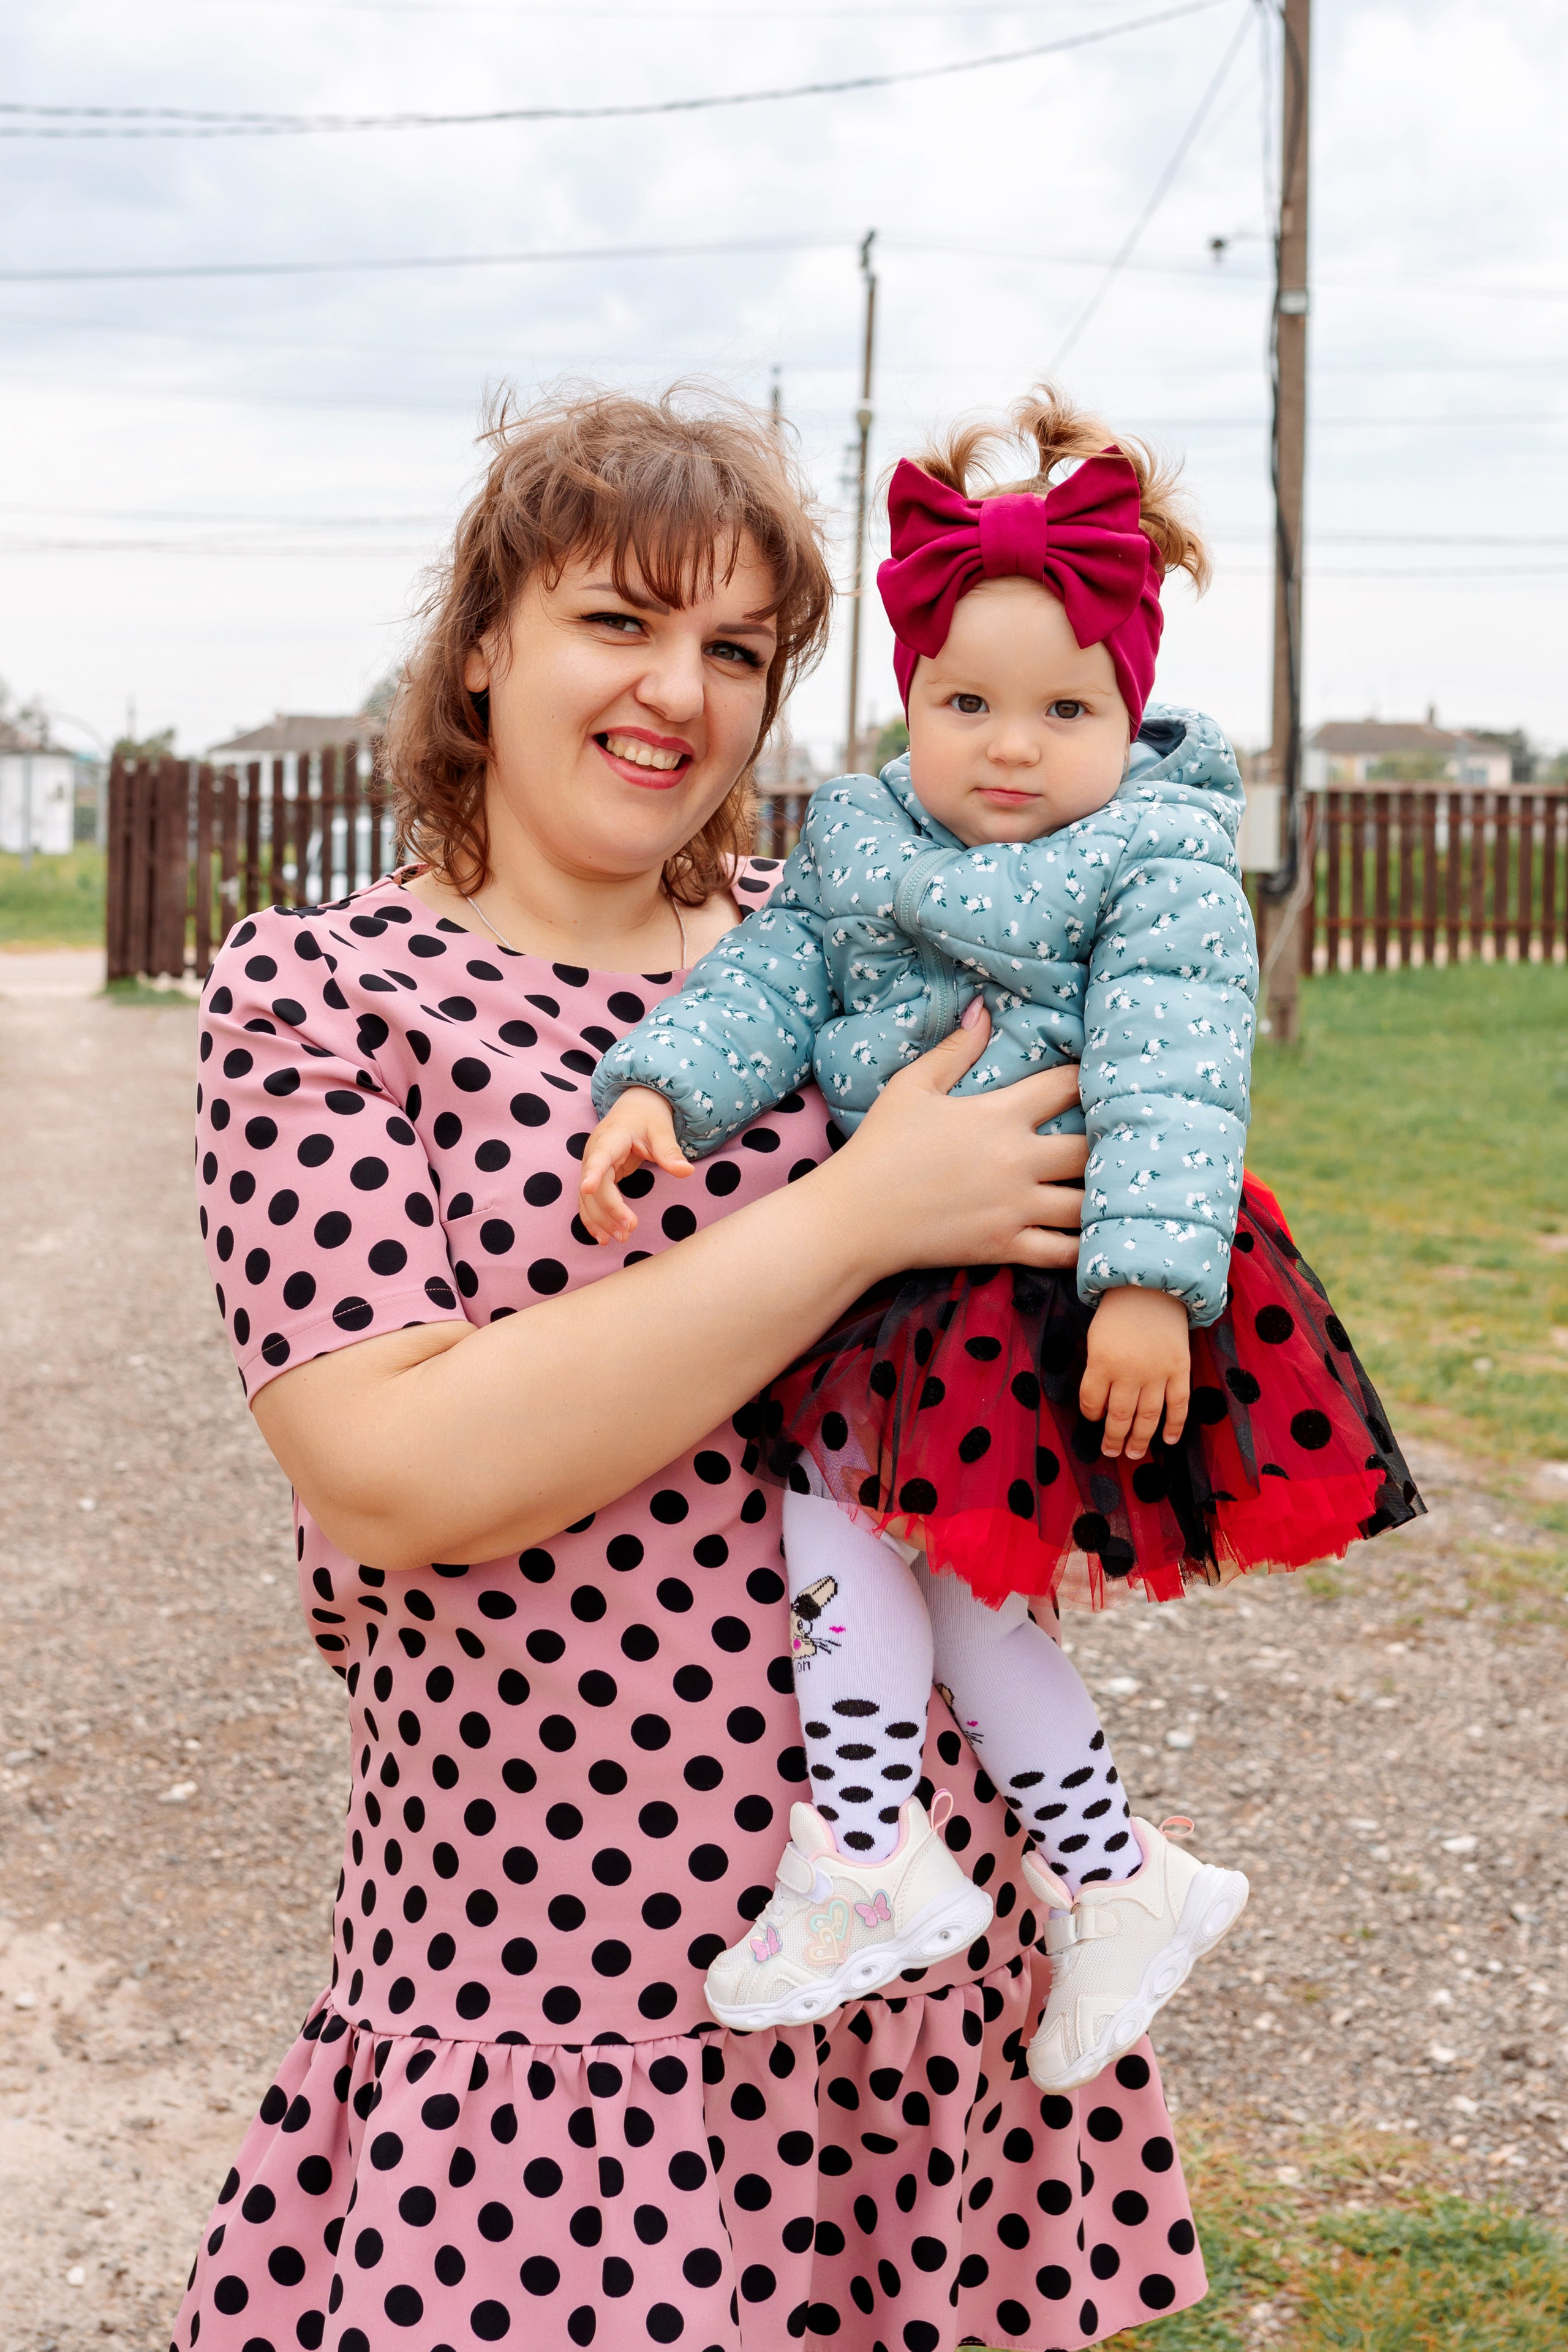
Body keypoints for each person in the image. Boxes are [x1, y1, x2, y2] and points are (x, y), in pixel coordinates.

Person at [175, 386, 1212, 2352]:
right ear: (483, 641)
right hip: (556, 2018)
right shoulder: (325, 1001)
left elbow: (1081, 1276)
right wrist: (853, 1214)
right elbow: (398, 1469)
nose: (681, 693)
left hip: (910, 1984)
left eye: (738, 651)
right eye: (618, 623)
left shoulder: (847, 944)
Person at [581, 389, 1423, 2088]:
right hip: (908, 1276)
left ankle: (889, 1851)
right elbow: (770, 978)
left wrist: (1142, 1287)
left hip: (1055, 1274)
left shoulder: (1160, 861)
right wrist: (668, 1080)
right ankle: (1092, 1874)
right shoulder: (863, 839)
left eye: (1065, 706)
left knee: (884, 1536)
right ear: (911, 703)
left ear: (1134, 710)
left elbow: (1181, 1073)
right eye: (966, 703)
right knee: (939, 1573)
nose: (1013, 747)